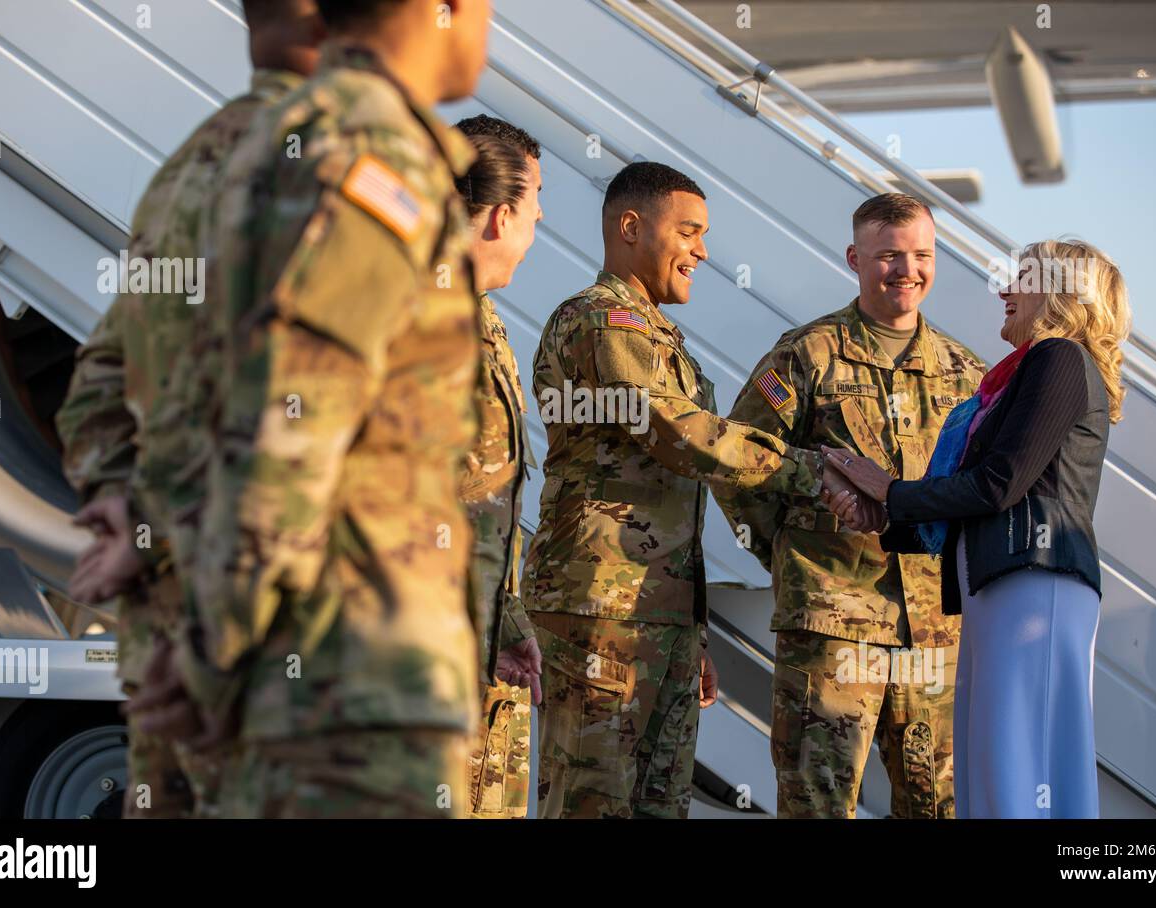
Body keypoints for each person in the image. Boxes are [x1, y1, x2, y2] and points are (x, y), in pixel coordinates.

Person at [128, 0, 494, 819]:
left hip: (324, 668)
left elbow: (201, 409)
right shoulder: (374, 150)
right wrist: (214, 652)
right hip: (351, 676)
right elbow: (292, 421)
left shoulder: (300, 134)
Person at [54, 0, 325, 819]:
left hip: (173, 615)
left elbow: (105, 364)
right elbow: (289, 401)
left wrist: (124, 514)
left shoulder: (190, 165)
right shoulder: (329, 161)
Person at [522, 161, 827, 819]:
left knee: (658, 806)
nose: (703, 251)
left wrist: (692, 633)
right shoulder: (602, 323)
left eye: (705, 235)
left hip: (653, 620)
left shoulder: (659, 336)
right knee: (593, 805)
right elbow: (682, 435)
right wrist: (817, 472)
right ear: (631, 227)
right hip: (601, 619)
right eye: (689, 231)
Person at [823, 238, 1131, 819]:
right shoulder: (1017, 377)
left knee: (1019, 770)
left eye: (1023, 278)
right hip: (1002, 589)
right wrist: (886, 515)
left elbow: (1000, 483)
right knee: (993, 771)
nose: (1006, 289)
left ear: (1064, 293)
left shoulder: (1059, 357)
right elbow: (985, 503)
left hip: (1034, 587)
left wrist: (890, 491)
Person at [712, 192, 986, 818]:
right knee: (817, 801)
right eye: (889, 255)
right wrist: (785, 554)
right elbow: (736, 463)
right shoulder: (805, 356)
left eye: (921, 255)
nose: (907, 270)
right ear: (855, 258)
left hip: (935, 637)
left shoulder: (965, 373)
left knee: (939, 805)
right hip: (832, 625)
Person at [453, 114, 545, 819]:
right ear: (501, 216)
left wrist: (507, 620)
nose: (538, 222)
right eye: (534, 204)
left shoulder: (483, 323)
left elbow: (481, 500)